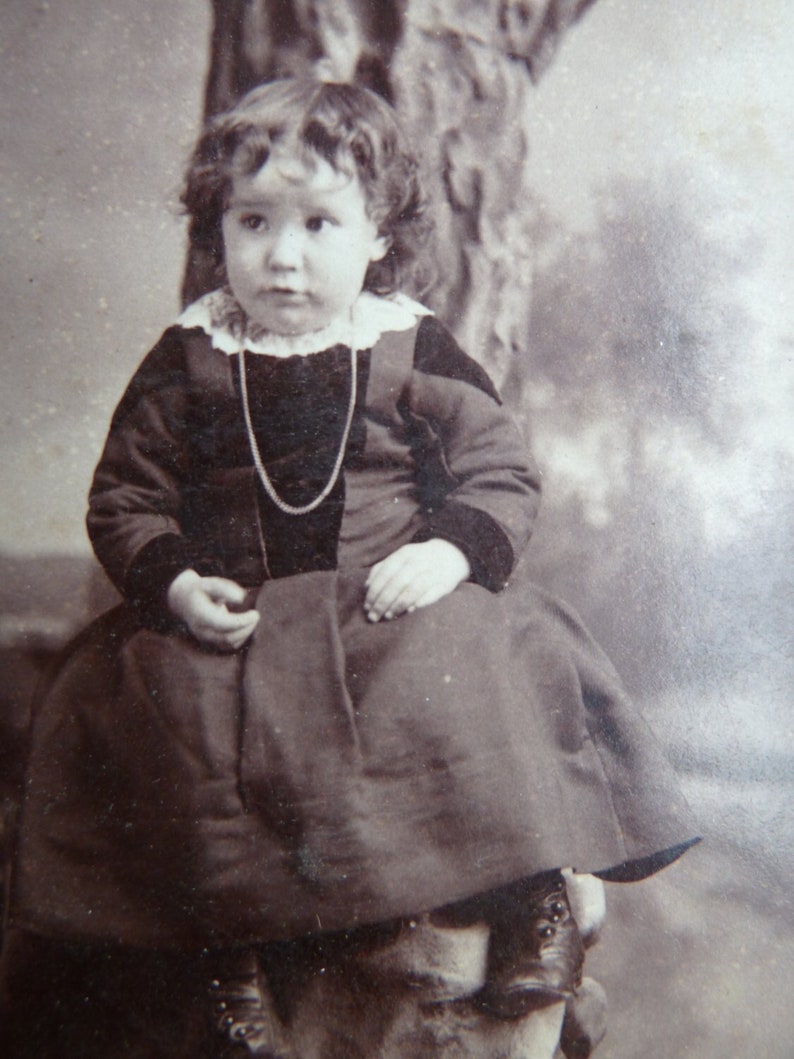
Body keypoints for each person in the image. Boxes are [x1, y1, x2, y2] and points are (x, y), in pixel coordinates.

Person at [0, 79, 697, 1058]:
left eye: (318, 223)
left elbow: (497, 467)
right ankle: (232, 950)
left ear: (375, 236)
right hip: (239, 618)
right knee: (161, 696)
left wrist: (447, 549)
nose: (282, 256)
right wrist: (170, 580)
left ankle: (532, 891)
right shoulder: (189, 358)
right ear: (218, 234)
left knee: (484, 663)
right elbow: (126, 492)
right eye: (253, 223)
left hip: (386, 604)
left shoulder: (409, 347)